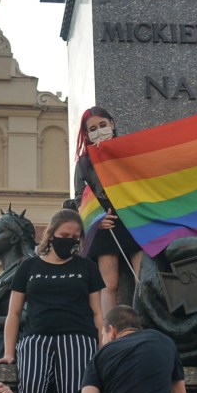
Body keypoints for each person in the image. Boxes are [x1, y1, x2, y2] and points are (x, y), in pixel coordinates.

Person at [0, 209, 104, 393]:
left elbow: (98, 313)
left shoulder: (87, 268)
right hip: (36, 341)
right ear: (52, 234)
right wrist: (9, 353)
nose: (69, 240)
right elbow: (14, 313)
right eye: (64, 235)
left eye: (75, 237)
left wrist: (102, 347)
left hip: (79, 340)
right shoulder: (29, 267)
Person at [72, 106, 143, 318]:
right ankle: (110, 332)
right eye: (92, 128)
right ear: (86, 133)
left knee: (143, 278)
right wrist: (96, 220)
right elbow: (79, 197)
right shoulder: (84, 162)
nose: (99, 131)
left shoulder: (128, 150)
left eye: (102, 125)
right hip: (105, 222)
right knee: (109, 283)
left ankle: (143, 323)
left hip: (133, 218)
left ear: (112, 123)